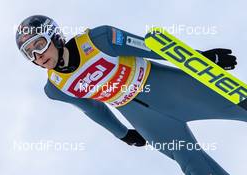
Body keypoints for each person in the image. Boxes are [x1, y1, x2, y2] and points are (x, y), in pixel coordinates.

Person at [16, 15, 246, 175]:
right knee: (194, 167)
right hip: (146, 120)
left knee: (239, 106)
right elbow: (93, 109)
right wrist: (122, 133)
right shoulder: (56, 88)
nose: (37, 55)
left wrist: (201, 58)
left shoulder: (99, 40)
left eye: (40, 44)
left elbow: (150, 48)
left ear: (54, 36)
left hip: (170, 89)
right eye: (30, 53)